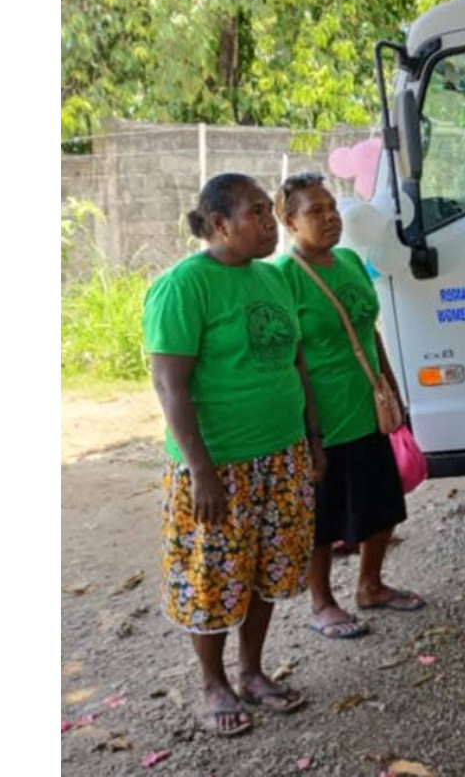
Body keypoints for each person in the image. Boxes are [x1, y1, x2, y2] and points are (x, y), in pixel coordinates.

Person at [143, 173, 324, 737]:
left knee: (266, 570)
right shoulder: (184, 287)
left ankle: (251, 672)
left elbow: (297, 363)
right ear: (219, 224)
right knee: (215, 579)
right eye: (256, 214)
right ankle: (213, 683)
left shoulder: (274, 280)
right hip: (219, 467)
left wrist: (312, 440)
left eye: (271, 212)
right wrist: (201, 470)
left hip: (281, 455)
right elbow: (170, 385)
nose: (270, 223)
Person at [274, 172, 422, 642]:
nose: (329, 218)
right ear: (289, 221)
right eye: (314, 211)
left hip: (368, 405)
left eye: (331, 207)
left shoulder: (351, 262)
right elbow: (289, 356)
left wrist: (393, 391)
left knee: (382, 503)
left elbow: (369, 331)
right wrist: (308, 430)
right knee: (325, 515)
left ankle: (370, 586)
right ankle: (322, 602)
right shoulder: (283, 277)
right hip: (321, 415)